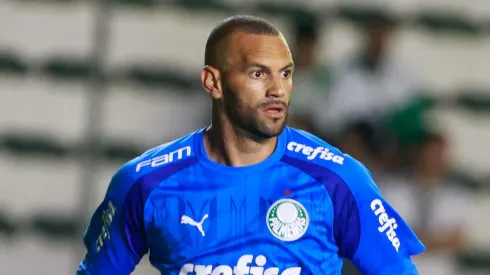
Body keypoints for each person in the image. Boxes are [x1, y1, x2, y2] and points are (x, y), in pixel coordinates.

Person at [77, 15, 424, 275]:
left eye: (285, 74)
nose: (277, 89)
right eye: (258, 74)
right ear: (213, 81)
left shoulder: (338, 179)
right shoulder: (144, 182)